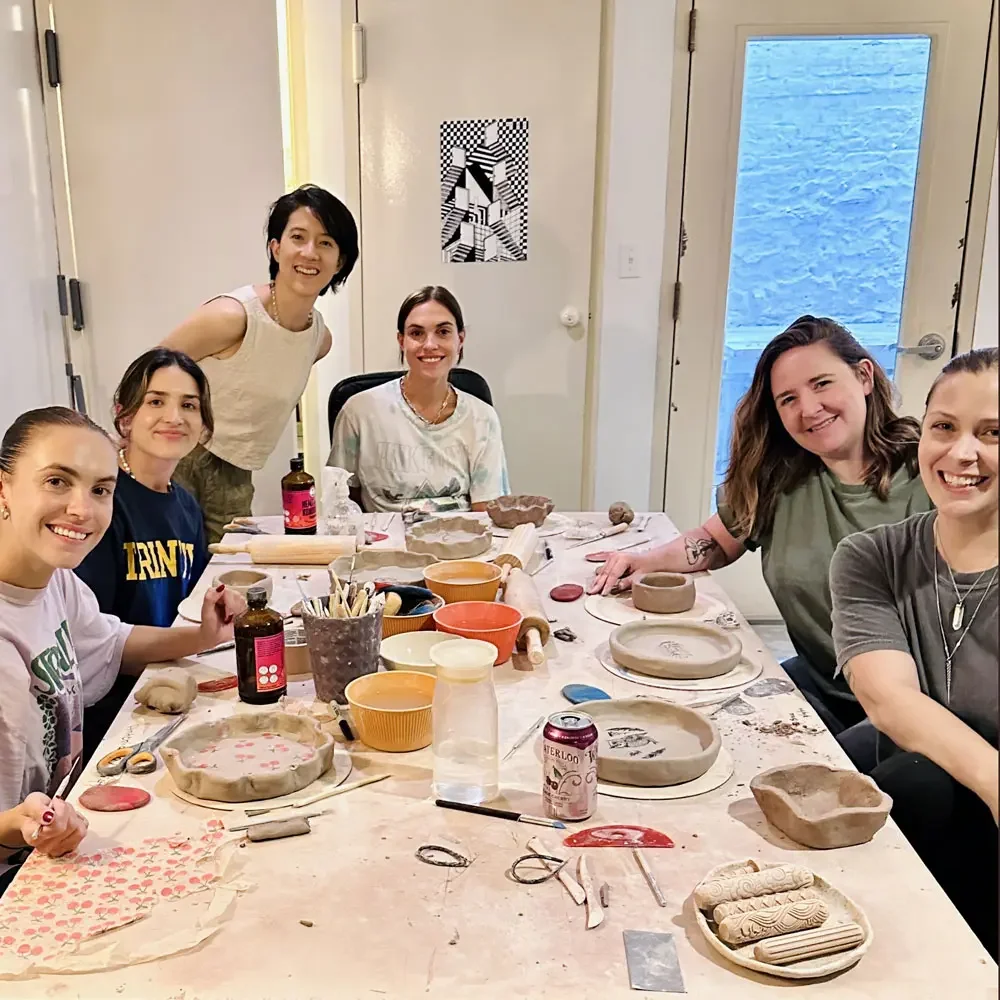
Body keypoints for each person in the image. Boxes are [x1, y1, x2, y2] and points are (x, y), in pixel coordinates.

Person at [590, 316, 932, 735]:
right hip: (826, 686)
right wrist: (641, 561)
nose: (808, 409)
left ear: (864, 376)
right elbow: (714, 541)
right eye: (788, 399)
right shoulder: (780, 478)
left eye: (821, 383)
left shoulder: (933, 473)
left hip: (921, 708)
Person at [0, 407, 243, 889]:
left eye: (100, 490)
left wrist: (202, 635)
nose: (81, 510)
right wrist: (16, 827)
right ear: (2, 490)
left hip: (51, 847)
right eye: (56, 482)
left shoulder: (58, 585)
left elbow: (113, 642)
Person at [830, 347, 998, 958]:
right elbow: (888, 697)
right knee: (896, 776)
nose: (962, 454)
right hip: (948, 778)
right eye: (944, 428)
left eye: (993, 433)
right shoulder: (869, 557)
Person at [162, 184, 359, 542]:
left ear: (339, 261)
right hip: (180, 458)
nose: (310, 252)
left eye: (326, 243)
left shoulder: (319, 340)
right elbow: (150, 372)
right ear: (276, 247)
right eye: (298, 237)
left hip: (237, 469)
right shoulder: (232, 316)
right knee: (171, 576)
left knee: (227, 576)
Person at [75, 349, 213, 756]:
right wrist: (201, 638)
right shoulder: (102, 502)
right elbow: (94, 643)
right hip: (116, 711)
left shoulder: (185, 504)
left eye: (189, 405)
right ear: (125, 415)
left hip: (169, 680)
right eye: (156, 401)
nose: (174, 417)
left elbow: (192, 599)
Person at [328, 285, 509, 513]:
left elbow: (485, 510)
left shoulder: (482, 418)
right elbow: (340, 501)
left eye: (443, 332)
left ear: (460, 339)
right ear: (401, 341)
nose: (430, 344)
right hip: (386, 542)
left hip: (460, 541)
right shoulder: (360, 411)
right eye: (416, 333)